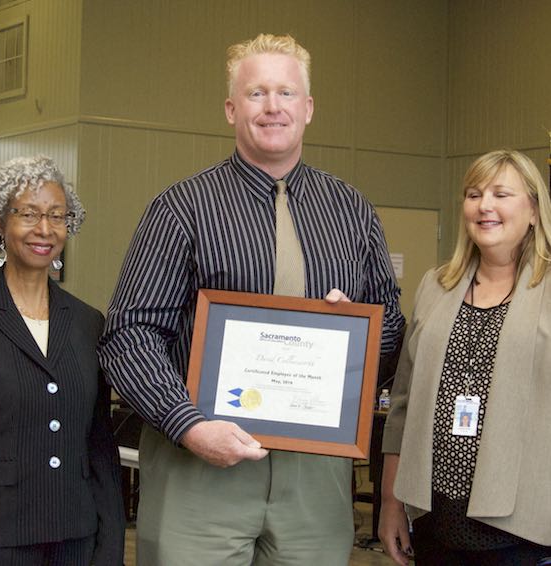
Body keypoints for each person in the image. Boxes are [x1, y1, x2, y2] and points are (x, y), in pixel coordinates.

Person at [99, 33, 404, 566]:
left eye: (286, 93)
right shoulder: (181, 208)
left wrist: (350, 340)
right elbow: (130, 336)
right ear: (231, 107)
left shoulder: (352, 211)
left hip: (315, 478)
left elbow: (392, 329)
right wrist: (188, 424)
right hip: (200, 468)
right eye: (257, 93)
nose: (272, 107)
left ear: (307, 108)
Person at [379, 149, 551, 565]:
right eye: (474, 194)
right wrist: (390, 502)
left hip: (524, 532)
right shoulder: (436, 286)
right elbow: (401, 405)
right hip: (437, 521)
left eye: (500, 194)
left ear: (533, 209)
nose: (484, 205)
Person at [0, 156, 125, 566]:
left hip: (78, 538)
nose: (44, 229)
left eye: (57, 216)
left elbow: (100, 446)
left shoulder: (86, 322)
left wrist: (111, 545)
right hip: (0, 540)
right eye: (28, 214)